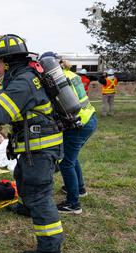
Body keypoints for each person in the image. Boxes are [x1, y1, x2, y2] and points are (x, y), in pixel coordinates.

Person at [0, 34, 64, 253]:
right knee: (21, 176)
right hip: (33, 145)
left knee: (40, 194)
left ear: (8, 61)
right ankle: (27, 207)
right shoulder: (25, 76)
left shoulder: (23, 82)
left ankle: (50, 249)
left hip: (40, 147)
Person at [41, 52, 97, 214]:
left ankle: (73, 204)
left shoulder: (55, 80)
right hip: (90, 118)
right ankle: (79, 189)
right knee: (72, 158)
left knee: (66, 162)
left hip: (77, 124)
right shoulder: (72, 74)